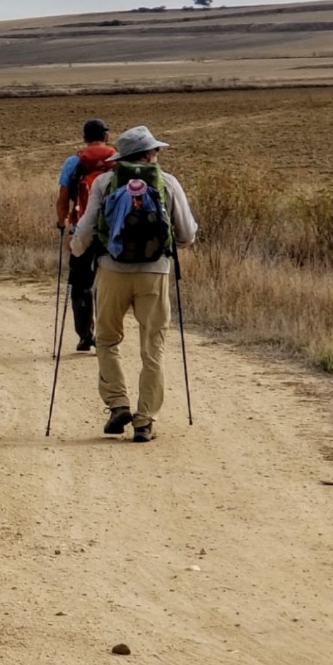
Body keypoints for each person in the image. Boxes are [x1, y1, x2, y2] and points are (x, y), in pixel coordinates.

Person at [69, 126, 199, 443]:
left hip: (111, 271)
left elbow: (85, 229)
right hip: (154, 273)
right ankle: (144, 421)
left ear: (122, 157)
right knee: (152, 347)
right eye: (156, 150)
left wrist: (75, 249)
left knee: (107, 341)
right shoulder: (167, 182)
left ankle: (118, 404)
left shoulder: (104, 182)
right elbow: (187, 234)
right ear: (150, 154)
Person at [54, 118, 117, 351]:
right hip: (110, 231)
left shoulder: (74, 162)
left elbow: (63, 197)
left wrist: (62, 224)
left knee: (81, 284)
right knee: (108, 284)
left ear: (84, 138)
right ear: (107, 137)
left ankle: (84, 336)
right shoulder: (116, 160)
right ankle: (105, 334)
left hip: (80, 228)